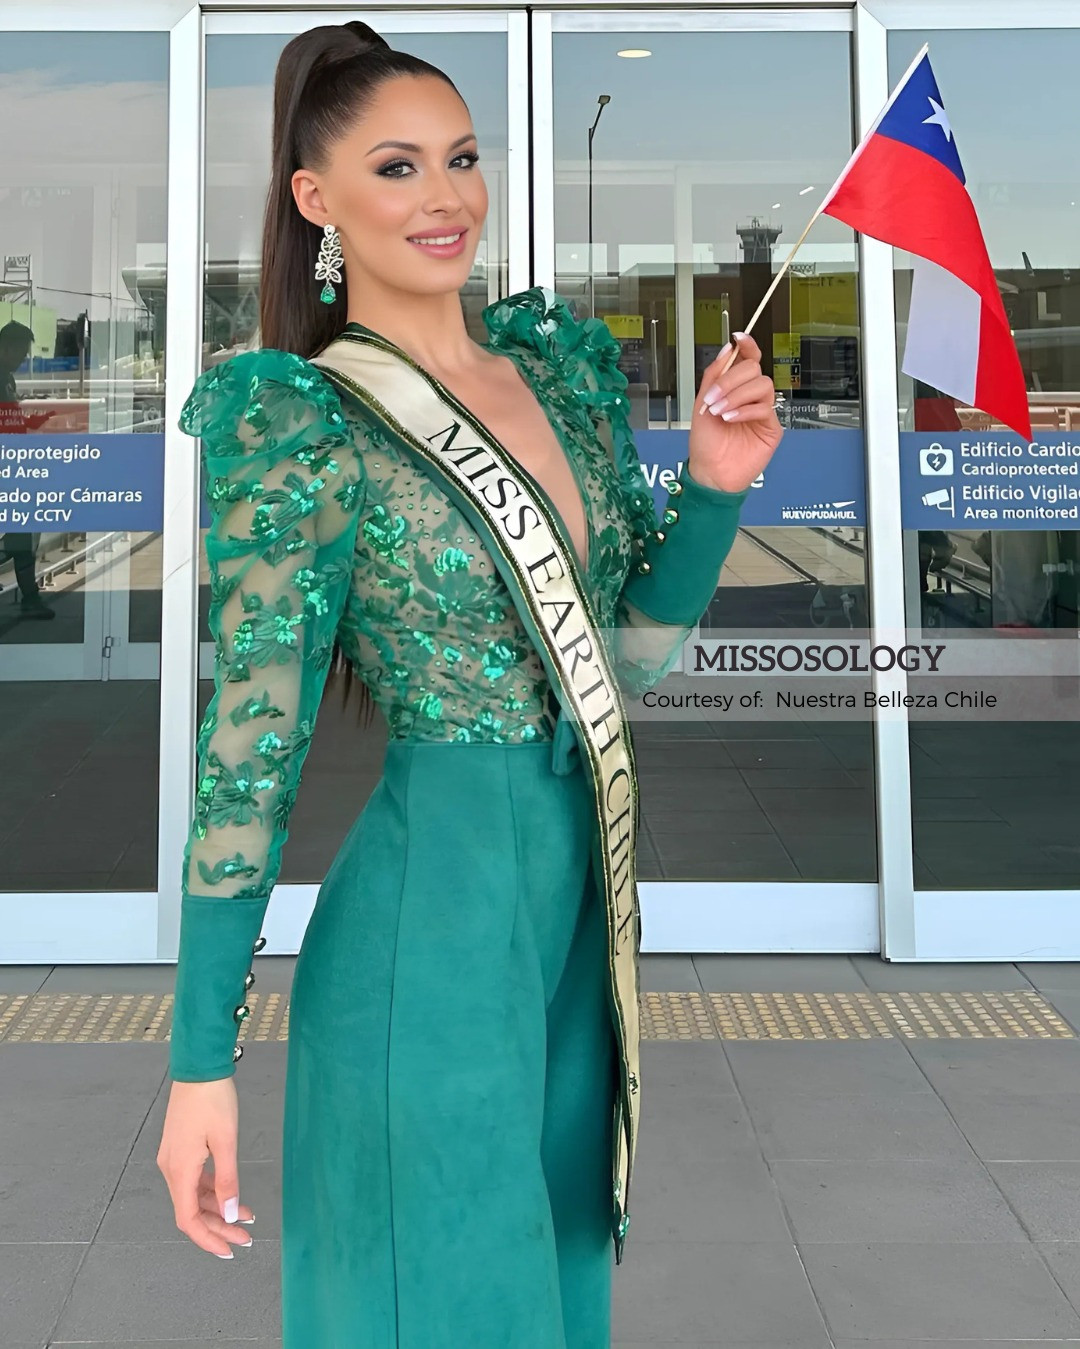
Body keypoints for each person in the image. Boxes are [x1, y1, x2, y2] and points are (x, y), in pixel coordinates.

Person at [155, 21, 782, 1349]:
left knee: (552, 1307)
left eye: (462, 157)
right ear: (316, 200)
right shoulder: (307, 424)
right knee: (442, 1310)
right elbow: (244, 761)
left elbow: (624, 668)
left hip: (571, 942)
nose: (445, 197)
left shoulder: (549, 376)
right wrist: (200, 1062)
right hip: (419, 961)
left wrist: (718, 490)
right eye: (397, 167)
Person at [0, 320, 55, 619]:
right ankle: (30, 597)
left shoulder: (6, 377)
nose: (23, 360)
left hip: (12, 464)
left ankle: (30, 595)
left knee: (21, 529)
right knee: (21, 530)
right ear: (5, 347)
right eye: (20, 353)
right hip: (7, 467)